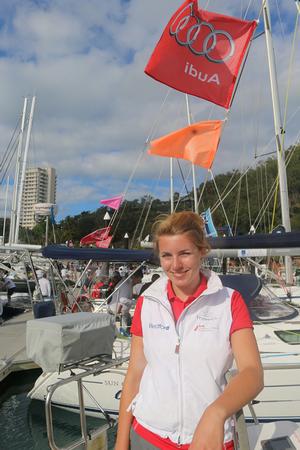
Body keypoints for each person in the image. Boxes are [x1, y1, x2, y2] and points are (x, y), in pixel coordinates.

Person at [115, 211, 263, 450]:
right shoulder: (147, 302)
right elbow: (134, 375)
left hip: (208, 439)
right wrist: (121, 443)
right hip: (147, 436)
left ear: (201, 251)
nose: (175, 265)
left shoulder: (229, 302)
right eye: (166, 255)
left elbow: (252, 372)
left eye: (184, 253)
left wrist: (216, 413)